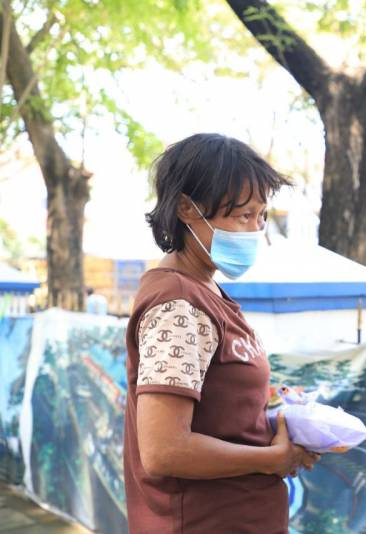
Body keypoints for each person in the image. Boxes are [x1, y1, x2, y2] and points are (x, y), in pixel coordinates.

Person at [123, 133, 319, 533]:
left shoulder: (206, 291)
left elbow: (216, 402)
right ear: (186, 208)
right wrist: (273, 459)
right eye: (243, 216)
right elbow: (164, 450)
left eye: (261, 216)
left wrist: (277, 413)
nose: (254, 230)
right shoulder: (178, 303)